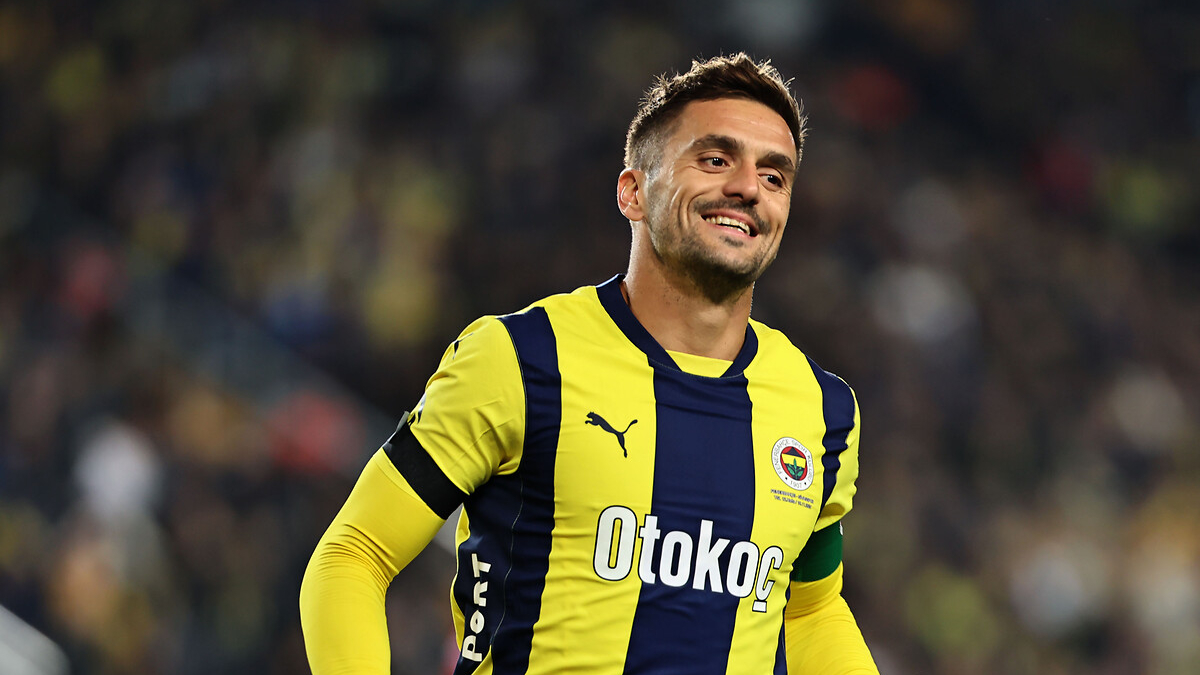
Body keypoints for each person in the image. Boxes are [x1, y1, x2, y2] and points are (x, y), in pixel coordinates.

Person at [300, 53, 878, 675]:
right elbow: (355, 555)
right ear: (634, 191)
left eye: (774, 176)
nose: (748, 188)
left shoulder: (822, 410)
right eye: (715, 159)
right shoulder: (519, 359)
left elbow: (812, 611)